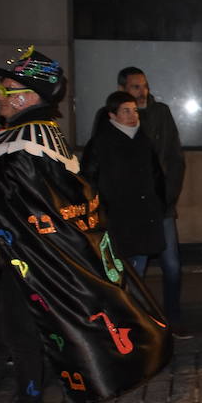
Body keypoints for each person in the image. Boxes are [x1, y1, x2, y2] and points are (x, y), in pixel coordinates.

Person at [0, 48, 171, 403]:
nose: (1, 94)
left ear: (30, 96)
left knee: (23, 331)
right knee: (64, 322)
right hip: (59, 255)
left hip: (33, 260)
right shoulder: (47, 137)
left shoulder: (16, 145)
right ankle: (81, 388)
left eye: (9, 88)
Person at [114, 67, 189, 339]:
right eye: (135, 87)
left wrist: (167, 196)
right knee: (136, 266)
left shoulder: (161, 113)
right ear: (123, 89)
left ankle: (173, 317)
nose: (142, 91)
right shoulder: (119, 116)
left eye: (144, 86)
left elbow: (174, 157)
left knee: (172, 264)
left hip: (161, 204)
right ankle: (137, 321)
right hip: (135, 209)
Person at [82, 91, 165, 273]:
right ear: (112, 115)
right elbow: (88, 180)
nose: (133, 116)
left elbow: (156, 176)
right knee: (120, 273)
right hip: (116, 219)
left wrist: (159, 206)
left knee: (139, 271)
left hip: (145, 217)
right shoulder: (100, 142)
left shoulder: (144, 140)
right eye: (126, 111)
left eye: (135, 110)